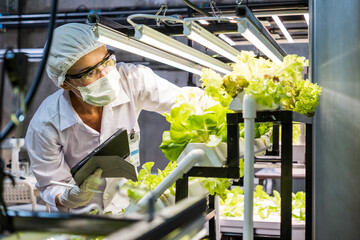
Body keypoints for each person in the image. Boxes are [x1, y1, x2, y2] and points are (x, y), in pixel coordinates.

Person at [25, 23, 191, 213]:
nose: (105, 75)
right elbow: (49, 185)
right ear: (65, 84)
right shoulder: (46, 124)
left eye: (106, 61)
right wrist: (69, 196)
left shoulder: (131, 80)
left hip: (128, 211)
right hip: (80, 222)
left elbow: (185, 103)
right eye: (90, 72)